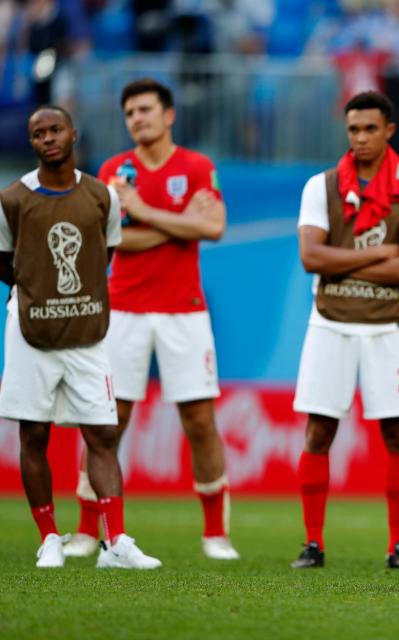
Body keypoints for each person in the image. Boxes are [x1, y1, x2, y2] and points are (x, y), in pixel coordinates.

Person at [62, 78, 237, 561]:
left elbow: (216, 227)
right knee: (107, 421)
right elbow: (106, 243)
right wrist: (179, 223)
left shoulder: (198, 166)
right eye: (130, 113)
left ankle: (215, 535)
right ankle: (84, 528)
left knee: (199, 421)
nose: (137, 118)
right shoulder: (113, 171)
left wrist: (143, 212)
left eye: (145, 110)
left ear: (169, 115)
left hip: (184, 312)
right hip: (124, 310)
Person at [0, 105, 160, 569]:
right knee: (34, 433)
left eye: (55, 130)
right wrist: (38, 290)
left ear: (74, 134)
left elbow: (105, 252)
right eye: (38, 133)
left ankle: (117, 543)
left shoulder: (102, 196)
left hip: (88, 331)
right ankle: (50, 538)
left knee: (103, 434)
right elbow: (4, 261)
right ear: (31, 143)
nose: (47, 138)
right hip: (31, 330)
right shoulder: (11, 199)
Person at [292, 90, 399, 570]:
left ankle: (398, 546)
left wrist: (341, 265)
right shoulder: (321, 186)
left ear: (389, 130)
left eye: (370, 128)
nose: (361, 138)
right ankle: (313, 543)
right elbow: (311, 258)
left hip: (389, 327)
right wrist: (379, 254)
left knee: (397, 434)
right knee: (318, 432)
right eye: (353, 129)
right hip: (329, 324)